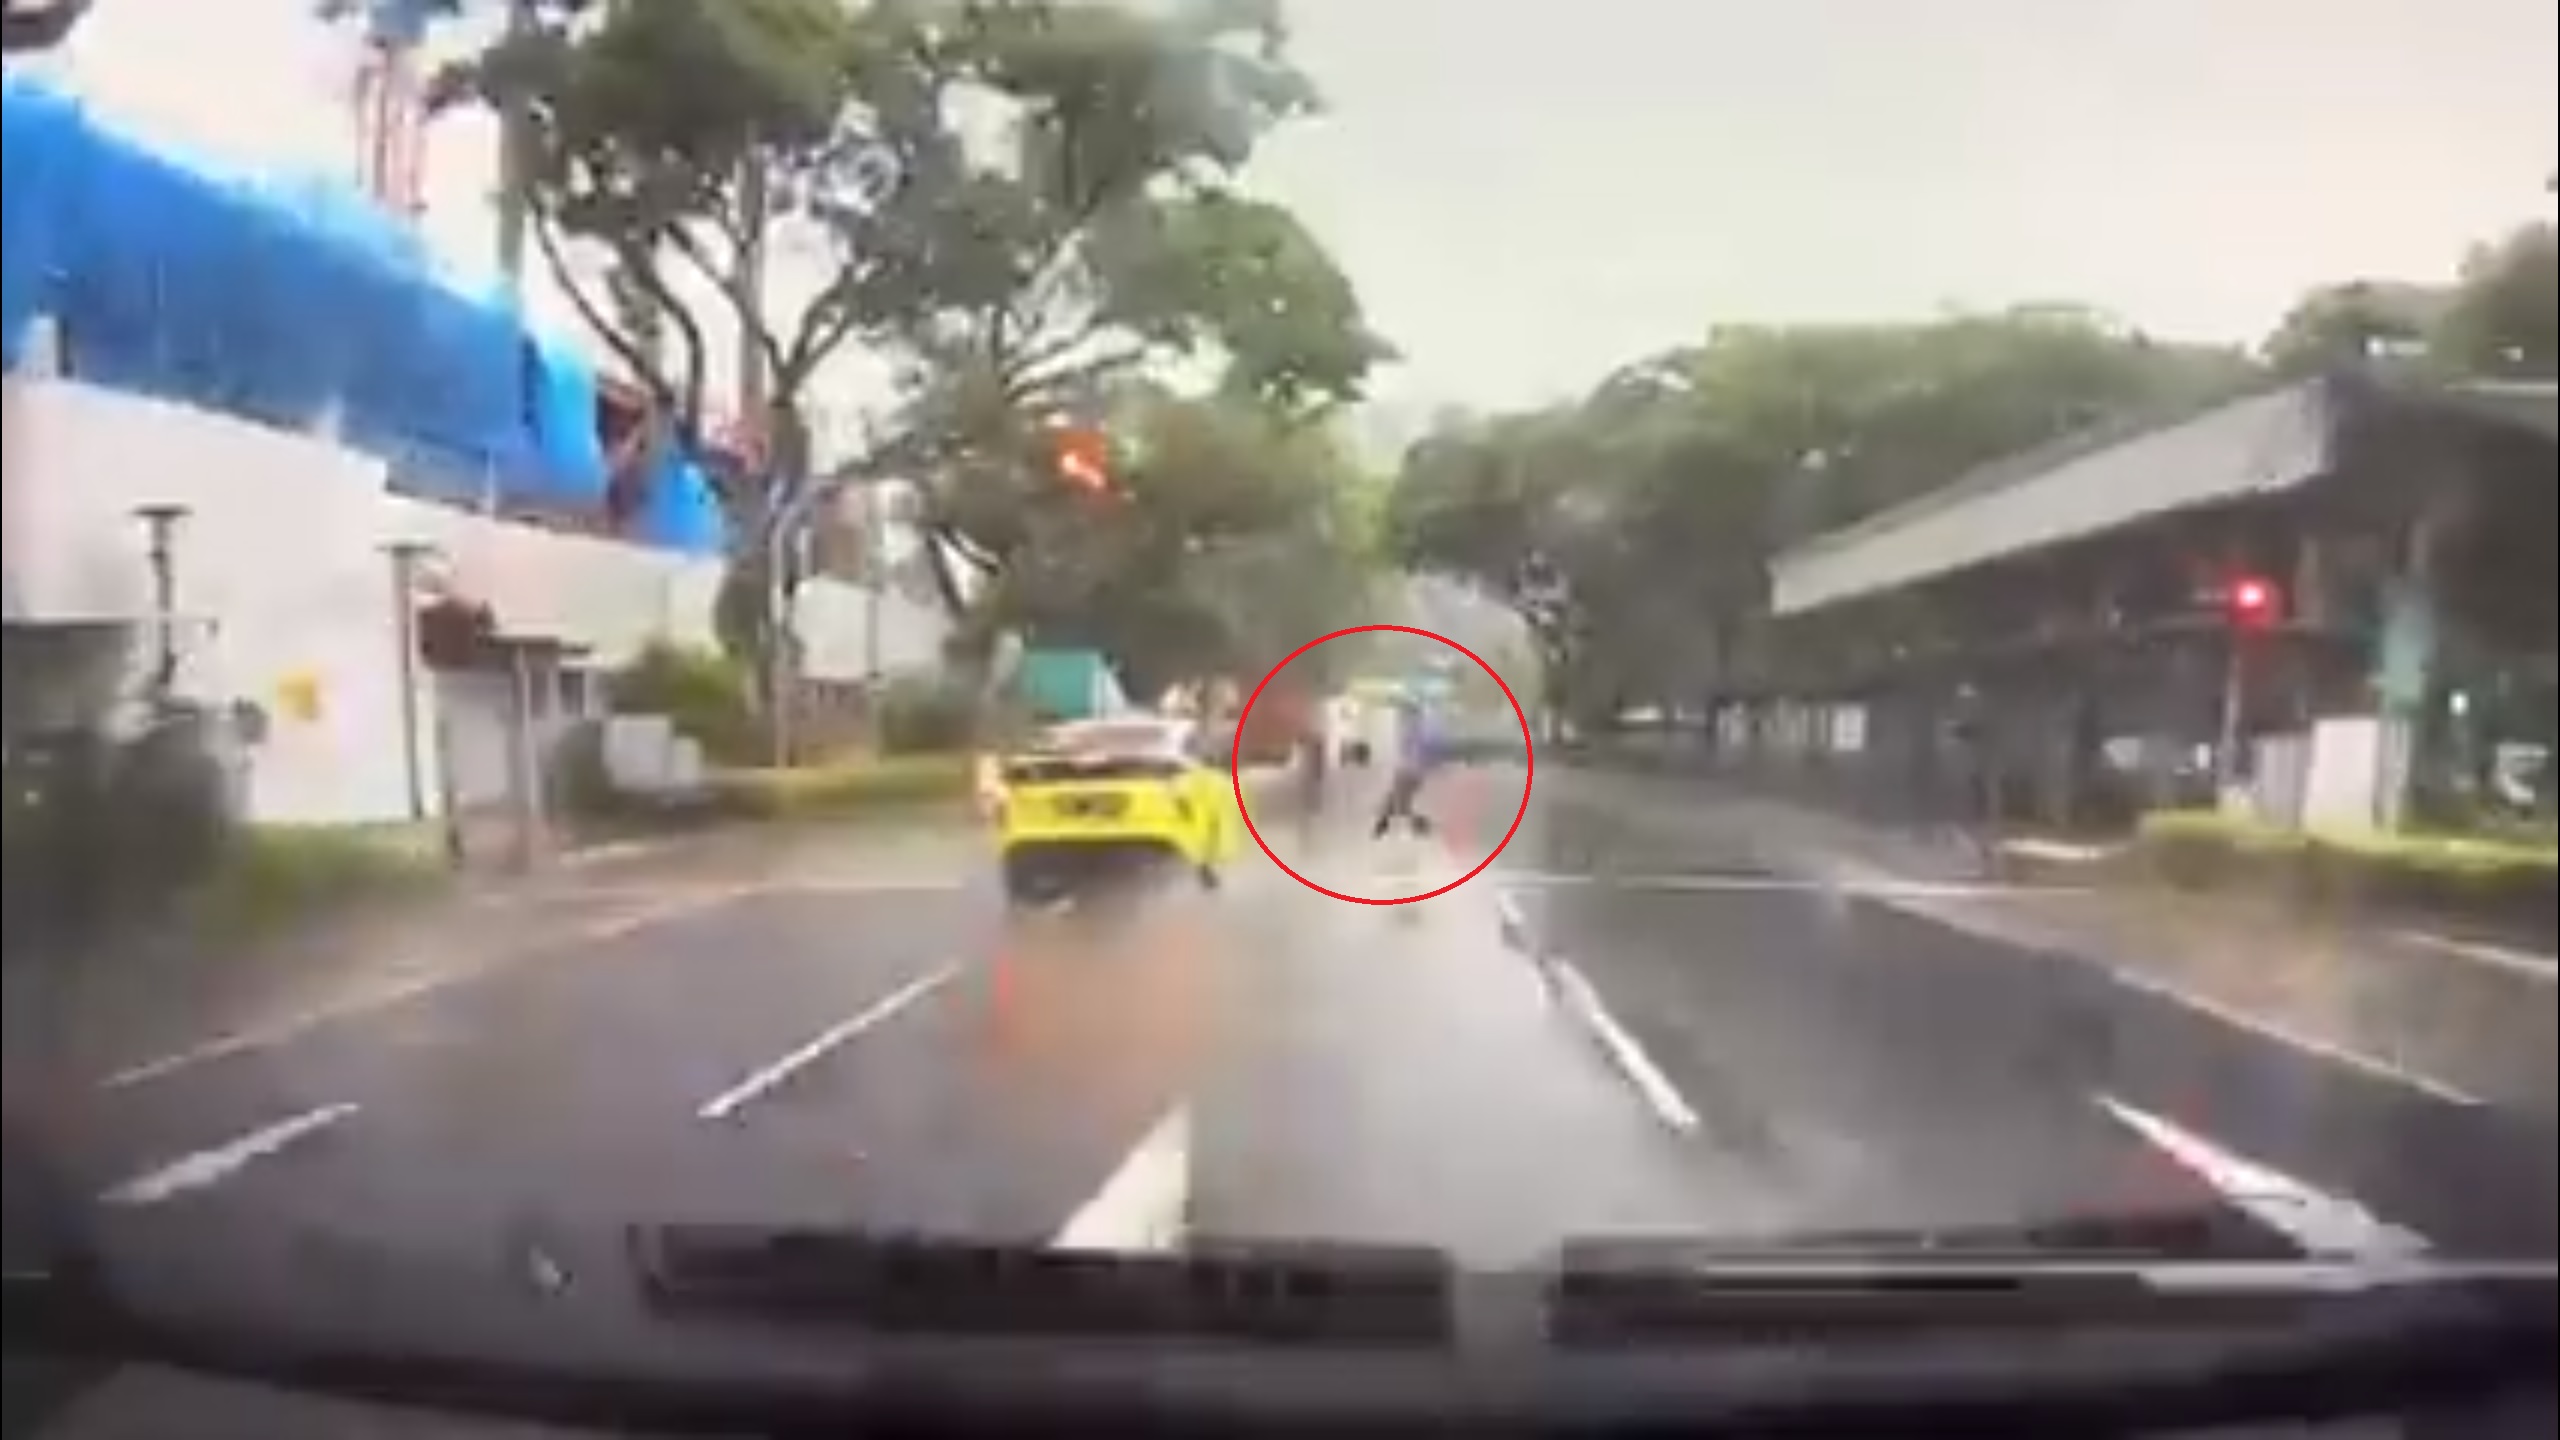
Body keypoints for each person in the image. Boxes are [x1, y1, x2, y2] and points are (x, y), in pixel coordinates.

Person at [1370, 693, 1442, 841]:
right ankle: (1385, 826)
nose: (1401, 715)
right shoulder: (1415, 727)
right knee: (1397, 801)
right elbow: (1414, 750)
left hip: (1410, 771)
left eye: (1405, 711)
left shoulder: (1415, 728)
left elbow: (1416, 749)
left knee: (1398, 802)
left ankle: (1417, 825)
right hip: (1411, 770)